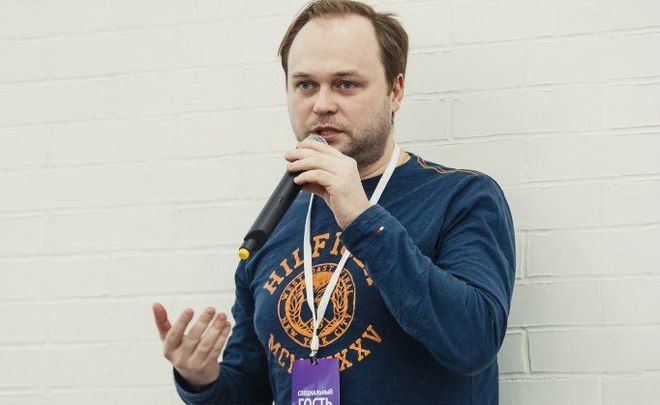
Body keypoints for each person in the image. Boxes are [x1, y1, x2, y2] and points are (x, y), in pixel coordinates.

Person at [152, 0, 516, 403]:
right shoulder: (271, 227)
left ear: (395, 91)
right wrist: (202, 380)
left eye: (346, 84)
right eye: (305, 85)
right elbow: (253, 389)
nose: (322, 103)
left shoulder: (462, 198)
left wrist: (361, 217)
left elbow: (473, 342)